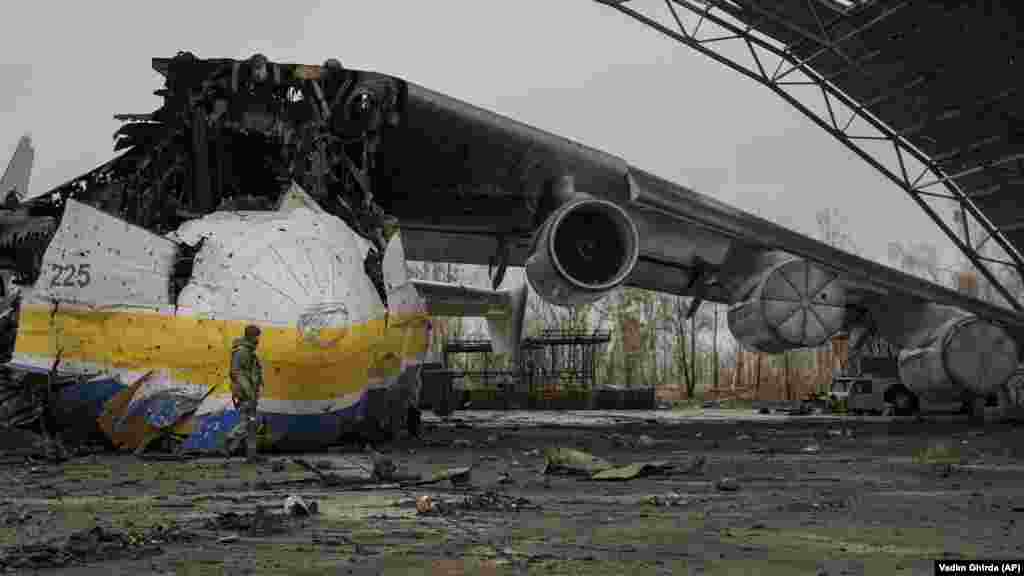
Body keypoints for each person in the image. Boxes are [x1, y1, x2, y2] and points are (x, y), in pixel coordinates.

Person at [230, 324, 266, 463]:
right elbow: (237, 373)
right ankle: (230, 439)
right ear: (251, 337)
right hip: (246, 393)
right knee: (250, 421)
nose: (258, 340)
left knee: (251, 424)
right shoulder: (242, 352)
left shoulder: (249, 351)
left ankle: (251, 455)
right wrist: (249, 392)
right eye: (257, 337)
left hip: (250, 391)